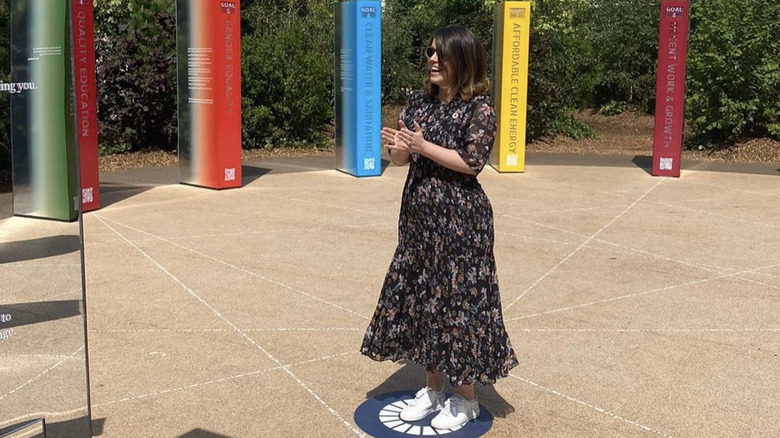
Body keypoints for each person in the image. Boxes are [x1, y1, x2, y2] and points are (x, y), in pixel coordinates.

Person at [360, 25, 518, 430]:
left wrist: (422, 146)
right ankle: (432, 390)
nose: (432, 59)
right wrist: (396, 149)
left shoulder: (479, 109)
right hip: (419, 222)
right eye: (429, 52)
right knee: (425, 301)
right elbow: (402, 160)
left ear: (461, 61)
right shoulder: (418, 102)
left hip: (462, 224)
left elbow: (472, 161)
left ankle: (466, 399)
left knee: (457, 305)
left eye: (440, 54)